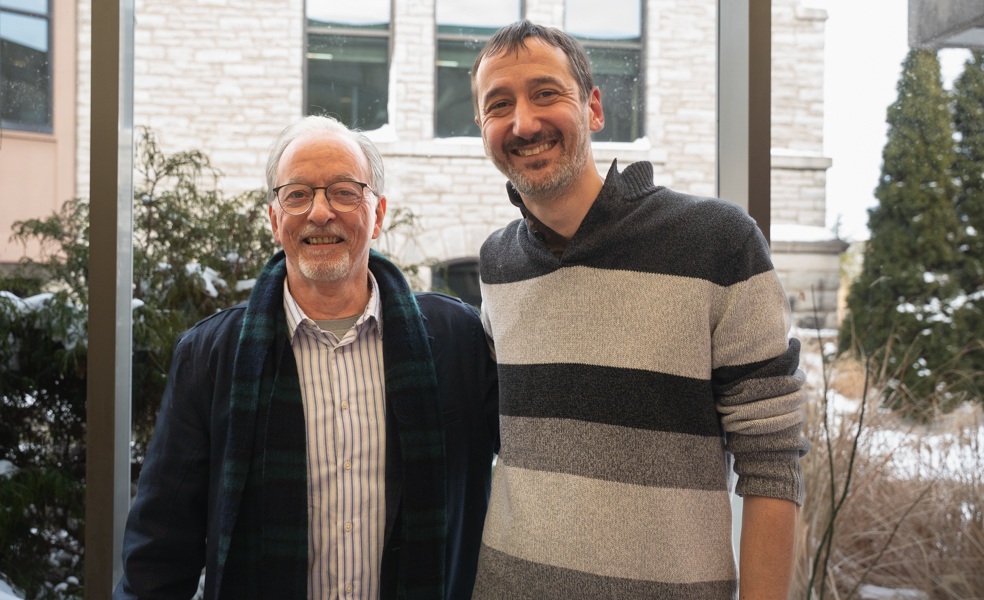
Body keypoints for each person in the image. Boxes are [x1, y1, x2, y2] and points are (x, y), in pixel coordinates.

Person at [468, 20, 809, 600]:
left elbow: (772, 462)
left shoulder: (718, 241)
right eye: (499, 105)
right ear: (482, 128)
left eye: (546, 93)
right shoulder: (497, 262)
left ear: (594, 108)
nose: (523, 122)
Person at [115, 115, 499, 600]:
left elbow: (532, 473)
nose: (320, 212)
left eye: (343, 191)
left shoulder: (457, 341)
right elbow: (158, 551)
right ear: (275, 219)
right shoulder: (210, 355)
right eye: (297, 194)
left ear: (377, 214)